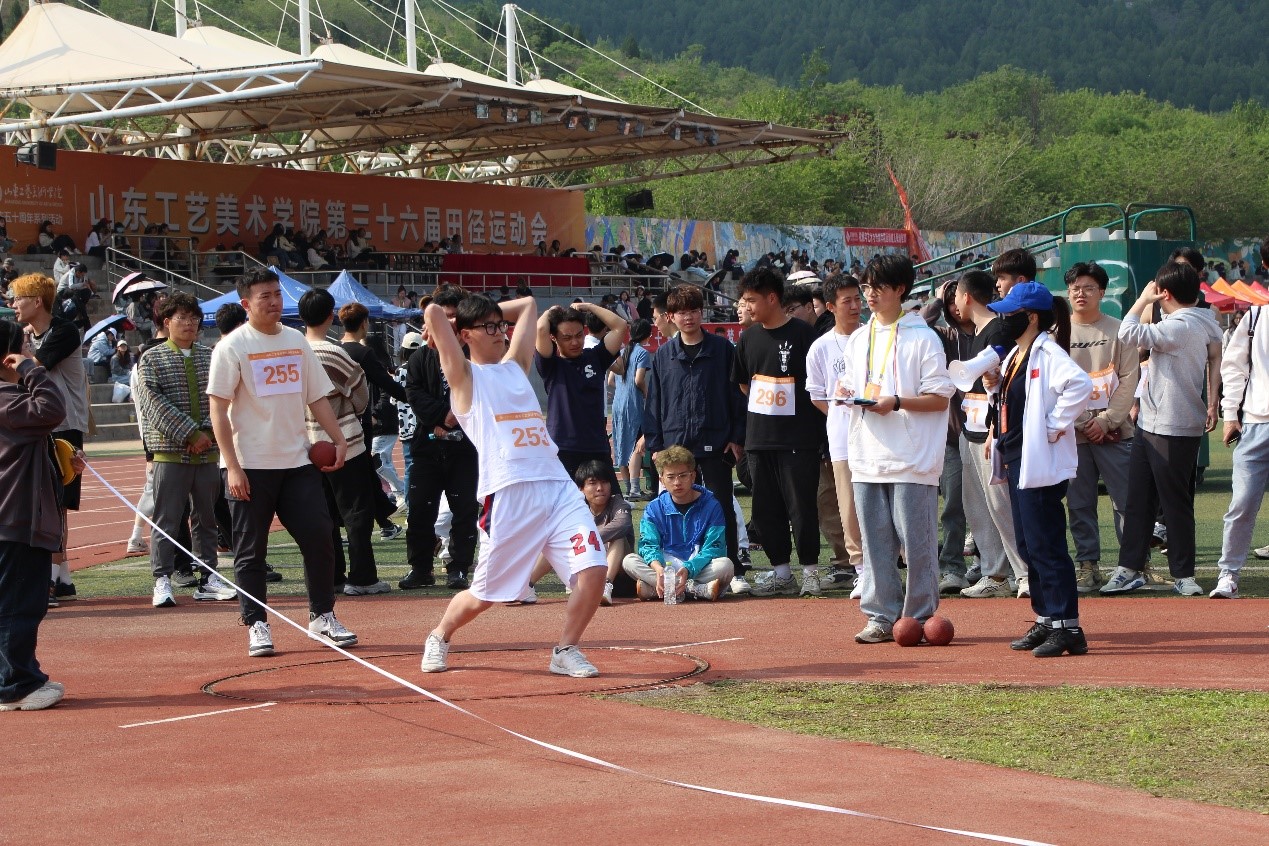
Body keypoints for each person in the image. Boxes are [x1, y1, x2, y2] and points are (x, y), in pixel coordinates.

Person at [419, 295, 607, 677]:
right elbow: (433, 312)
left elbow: (529, 306)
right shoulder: (465, 378)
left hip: (557, 487)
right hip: (508, 494)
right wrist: (457, 320)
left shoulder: (516, 367)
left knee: (594, 569)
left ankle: (565, 649)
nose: (499, 332)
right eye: (488, 327)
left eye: (500, 325)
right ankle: (439, 635)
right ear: (465, 335)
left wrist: (485, 314)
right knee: (484, 596)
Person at [207, 268, 359, 657]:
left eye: (277, 294)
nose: (275, 301)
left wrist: (339, 439)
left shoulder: (296, 341)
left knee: (320, 537)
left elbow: (317, 397)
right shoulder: (231, 347)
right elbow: (218, 410)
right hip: (250, 466)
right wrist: (232, 466)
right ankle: (256, 623)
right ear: (246, 303)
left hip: (297, 462)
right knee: (250, 551)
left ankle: (322, 616)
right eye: (265, 296)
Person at [840, 255, 955, 644]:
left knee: (917, 544)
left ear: (900, 290)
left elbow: (940, 397)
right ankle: (880, 615)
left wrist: (898, 402)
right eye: (866, 287)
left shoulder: (923, 338)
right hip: (867, 456)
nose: (870, 295)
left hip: (912, 458)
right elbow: (851, 385)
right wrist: (845, 393)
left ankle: (919, 617)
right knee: (875, 545)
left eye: (879, 287)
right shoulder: (859, 338)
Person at [985, 282, 1093, 657]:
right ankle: (1047, 618)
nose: (1003, 320)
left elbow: (1079, 385)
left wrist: (1054, 424)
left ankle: (1068, 626)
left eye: (1010, 314)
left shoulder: (1047, 352)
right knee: (1028, 543)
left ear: (1031, 317)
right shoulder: (1019, 353)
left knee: (1046, 544)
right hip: (1018, 457)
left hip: (1039, 461)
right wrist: (995, 386)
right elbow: (1016, 401)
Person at [1102, 262, 1223, 596]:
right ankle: (1130, 568)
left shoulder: (1180, 326)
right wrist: (1213, 403)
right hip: (1154, 423)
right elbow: (1215, 357)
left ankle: (1183, 575)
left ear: (1164, 293)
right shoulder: (1205, 320)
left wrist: (1143, 300)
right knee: (1140, 501)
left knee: (1172, 505)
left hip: (1172, 425)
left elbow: (1127, 333)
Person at [134, 293, 238, 608]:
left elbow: (224, 398)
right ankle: (162, 580)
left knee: (206, 518)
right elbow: (152, 404)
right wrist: (191, 433)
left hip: (207, 452)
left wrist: (208, 433)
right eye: (182, 317)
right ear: (167, 322)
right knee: (166, 518)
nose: (190, 323)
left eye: (194, 318)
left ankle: (208, 578)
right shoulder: (151, 358)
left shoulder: (212, 356)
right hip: (170, 452)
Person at [643, 284, 748, 593]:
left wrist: (736, 437)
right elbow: (654, 403)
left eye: (693, 311)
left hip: (715, 443)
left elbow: (736, 397)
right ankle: (679, 571)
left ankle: (733, 571)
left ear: (702, 313)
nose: (687, 318)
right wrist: (656, 446)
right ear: (670, 317)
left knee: (722, 507)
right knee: (674, 509)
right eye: (681, 312)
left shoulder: (722, 350)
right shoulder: (663, 355)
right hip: (675, 447)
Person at [732, 266, 825, 597]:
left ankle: (811, 572)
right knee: (765, 509)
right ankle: (782, 573)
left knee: (802, 507)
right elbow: (744, 383)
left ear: (772, 298)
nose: (747, 306)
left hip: (798, 439)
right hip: (759, 440)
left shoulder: (803, 334)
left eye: (751, 300)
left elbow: (817, 384)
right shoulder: (748, 338)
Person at [299, 289, 391, 596]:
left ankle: (333, 575)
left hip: (306, 445)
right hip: (345, 442)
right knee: (357, 512)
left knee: (322, 515)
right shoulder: (335, 353)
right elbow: (360, 395)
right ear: (330, 316)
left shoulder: (294, 352)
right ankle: (362, 578)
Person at [0, 319, 68, 711]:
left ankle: (14, 677)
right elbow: (53, 409)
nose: (30, 352)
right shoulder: (9, 400)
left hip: (12, 515)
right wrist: (30, 369)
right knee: (18, 604)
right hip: (15, 518)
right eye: (24, 346)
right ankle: (17, 685)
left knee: (13, 601)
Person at [950, 270, 1030, 598]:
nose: (954, 303)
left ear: (967, 296)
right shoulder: (978, 331)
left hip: (990, 434)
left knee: (1002, 507)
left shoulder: (998, 330)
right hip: (970, 432)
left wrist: (994, 430)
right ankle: (994, 575)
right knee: (978, 509)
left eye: (956, 295)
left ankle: (1025, 574)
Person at [10, 274, 88, 603]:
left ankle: (51, 580)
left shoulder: (63, 331)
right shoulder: (30, 334)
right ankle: (63, 578)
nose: (13, 304)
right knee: (49, 503)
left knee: (56, 505)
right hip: (43, 423)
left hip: (63, 425)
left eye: (18, 298)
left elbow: (33, 368)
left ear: (37, 301)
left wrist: (19, 354)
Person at [1064, 263, 1139, 592]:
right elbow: (1055, 386)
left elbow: (1129, 380)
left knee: (1126, 501)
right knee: (1079, 503)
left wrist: (1106, 420)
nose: (1081, 293)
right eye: (1075, 288)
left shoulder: (1119, 330)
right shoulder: (1056, 333)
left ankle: (1133, 566)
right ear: (1068, 293)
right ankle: (1087, 566)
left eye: (1089, 288)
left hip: (1115, 431)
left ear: (1102, 292)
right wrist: (1083, 422)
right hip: (1073, 433)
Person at [403, 288, 479, 590]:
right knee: (420, 510)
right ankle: (420, 568)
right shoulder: (420, 357)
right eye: (442, 318)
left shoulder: (475, 356)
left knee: (464, 511)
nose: (448, 324)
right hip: (427, 447)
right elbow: (414, 394)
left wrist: (454, 415)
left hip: (465, 449)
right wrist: (441, 418)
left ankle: (458, 567)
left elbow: (480, 395)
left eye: (454, 318)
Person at [1211, 239, 1269, 599]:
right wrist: (1230, 414)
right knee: (1242, 503)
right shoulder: (1255, 316)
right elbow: (1234, 368)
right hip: (1256, 422)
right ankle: (1228, 575)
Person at [804, 273, 865, 595]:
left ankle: (886, 565)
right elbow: (816, 394)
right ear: (830, 306)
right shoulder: (821, 347)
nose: (855, 306)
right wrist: (843, 415)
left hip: (880, 436)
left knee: (882, 504)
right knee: (849, 505)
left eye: (858, 299)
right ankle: (862, 569)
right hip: (842, 439)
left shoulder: (873, 337)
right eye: (847, 301)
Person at [622, 445, 734, 602]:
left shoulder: (711, 505)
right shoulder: (654, 508)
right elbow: (648, 545)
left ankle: (662, 589)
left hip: (698, 566)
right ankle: (694, 589)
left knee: (725, 566)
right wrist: (658, 568)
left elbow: (714, 548)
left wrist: (689, 568)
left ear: (693, 476)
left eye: (683, 476)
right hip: (665, 566)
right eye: (671, 477)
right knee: (629, 561)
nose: (677, 482)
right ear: (661, 479)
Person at [534, 302, 627, 479]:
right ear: (554, 338)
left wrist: (589, 307)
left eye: (579, 335)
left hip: (597, 446)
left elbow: (620, 326)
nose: (575, 342)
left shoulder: (596, 357)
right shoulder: (550, 365)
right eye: (567, 338)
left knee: (612, 497)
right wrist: (551, 311)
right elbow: (540, 329)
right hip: (563, 448)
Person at [573, 459, 634, 606]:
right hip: (588, 572)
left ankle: (605, 585)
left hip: (621, 579)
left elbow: (623, 524)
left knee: (618, 536)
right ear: (581, 489)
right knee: (554, 539)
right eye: (593, 483)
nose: (600, 488)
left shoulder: (618, 503)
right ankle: (527, 585)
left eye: (604, 482)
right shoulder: (577, 510)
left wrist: (590, 540)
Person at [610, 319, 652, 501]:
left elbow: (610, 380)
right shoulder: (642, 353)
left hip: (617, 404)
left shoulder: (621, 352)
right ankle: (635, 489)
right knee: (636, 446)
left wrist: (622, 388)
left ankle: (627, 489)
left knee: (621, 444)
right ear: (647, 335)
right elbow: (639, 380)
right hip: (633, 404)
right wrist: (646, 393)